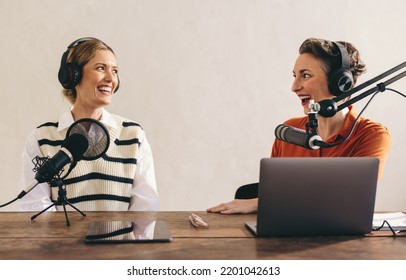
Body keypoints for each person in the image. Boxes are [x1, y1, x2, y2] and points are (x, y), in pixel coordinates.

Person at [207, 37, 391, 215]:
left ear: (340, 83)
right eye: (295, 76)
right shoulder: (289, 131)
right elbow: (277, 194)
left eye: (306, 75)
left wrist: (258, 203)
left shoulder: (372, 135)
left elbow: (350, 200)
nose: (294, 87)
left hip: (342, 241)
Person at [19, 37, 159, 212]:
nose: (111, 78)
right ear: (72, 75)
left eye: (115, 71)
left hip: (123, 241)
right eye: (101, 68)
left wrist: (131, 241)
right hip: (60, 240)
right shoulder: (41, 139)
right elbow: (35, 207)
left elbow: (145, 206)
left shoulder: (133, 135)